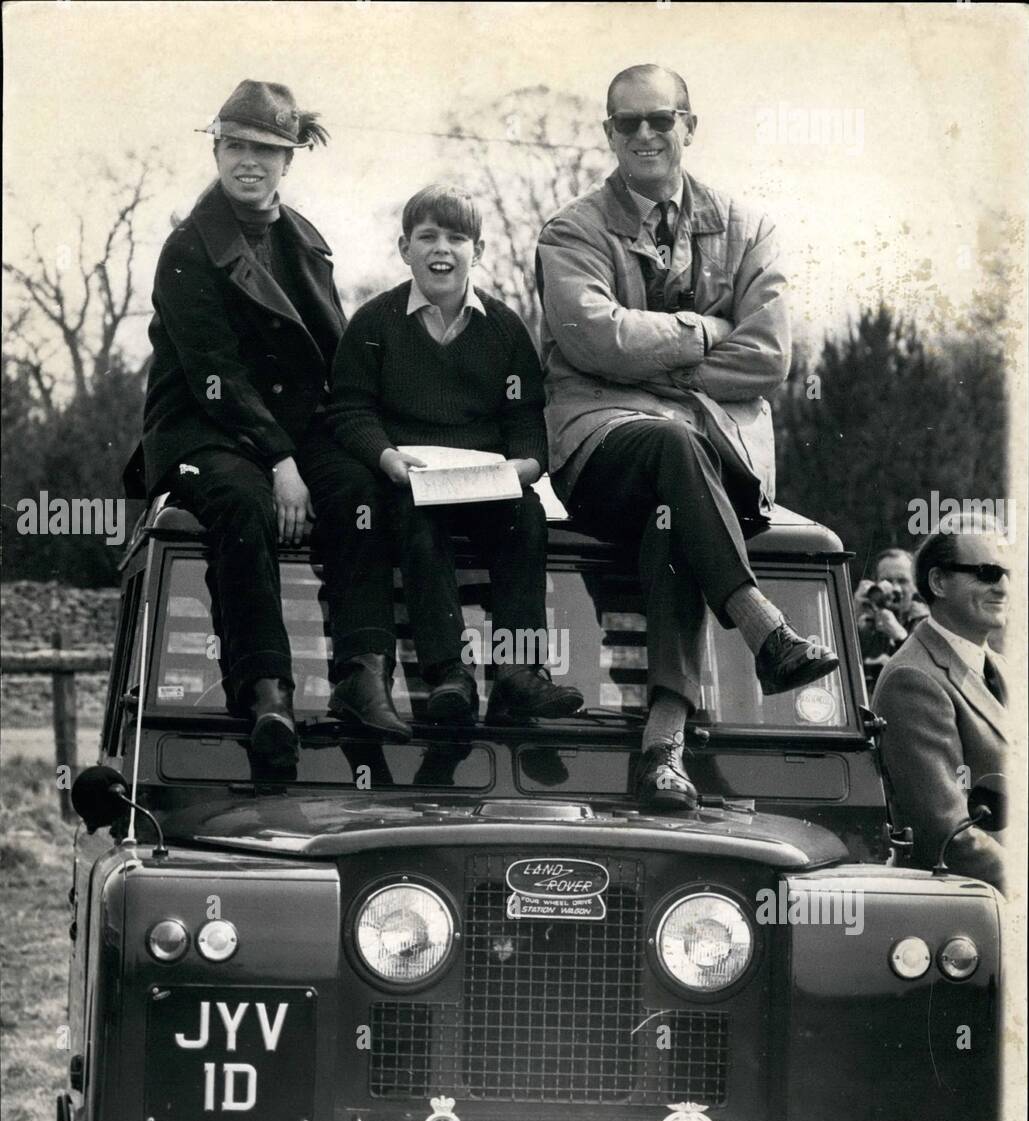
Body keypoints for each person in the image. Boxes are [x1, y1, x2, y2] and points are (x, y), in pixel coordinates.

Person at [536, 63, 838, 811]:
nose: (644, 135)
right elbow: (590, 337)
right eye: (626, 122)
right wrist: (705, 332)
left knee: (675, 509)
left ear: (688, 126)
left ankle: (661, 751)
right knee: (672, 449)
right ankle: (762, 626)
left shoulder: (748, 227)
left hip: (714, 457)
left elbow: (770, 355)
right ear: (608, 133)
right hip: (598, 446)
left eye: (659, 120)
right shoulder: (571, 229)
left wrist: (652, 371)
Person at [128, 80, 401, 768]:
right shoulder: (189, 247)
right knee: (241, 504)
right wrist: (282, 463)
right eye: (237, 146)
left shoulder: (306, 242)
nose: (249, 160)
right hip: (203, 424)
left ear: (289, 161)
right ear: (217, 151)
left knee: (360, 491)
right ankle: (266, 693)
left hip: (292, 427)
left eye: (266, 150)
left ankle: (363, 676)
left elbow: (334, 354)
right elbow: (214, 374)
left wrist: (371, 440)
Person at [328, 183, 583, 725]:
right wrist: (387, 458)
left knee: (526, 517)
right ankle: (448, 674)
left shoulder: (506, 330)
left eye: (457, 238)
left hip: (485, 484)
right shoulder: (373, 325)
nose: (441, 249)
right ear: (405, 249)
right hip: (411, 482)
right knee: (416, 527)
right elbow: (351, 410)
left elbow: (525, 419)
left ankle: (519, 672)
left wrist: (524, 466)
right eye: (427, 237)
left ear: (478, 252)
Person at [871, 520, 1008, 890]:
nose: (1004, 587)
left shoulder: (998, 666)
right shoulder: (913, 679)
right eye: (987, 573)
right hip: (968, 907)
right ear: (938, 583)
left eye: (1008, 572)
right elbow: (950, 836)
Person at [854, 547, 928, 690]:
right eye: (887, 580)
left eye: (902, 581)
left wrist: (900, 637)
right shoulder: (866, 622)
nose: (895, 588)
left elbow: (931, 673)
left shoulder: (927, 623)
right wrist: (853, 612)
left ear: (916, 585)